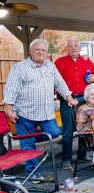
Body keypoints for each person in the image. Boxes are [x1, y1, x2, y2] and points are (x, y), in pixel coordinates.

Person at [3, 39, 77, 182]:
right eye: (37, 50)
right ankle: (34, 173)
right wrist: (8, 110)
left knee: (55, 132)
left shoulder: (50, 66)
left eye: (43, 50)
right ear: (31, 51)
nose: (40, 53)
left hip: (46, 112)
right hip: (25, 113)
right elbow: (11, 90)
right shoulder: (20, 68)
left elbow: (60, 82)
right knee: (28, 143)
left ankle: (28, 139)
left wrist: (69, 97)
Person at [55, 39, 94, 169]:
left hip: (83, 100)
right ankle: (66, 159)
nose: (73, 48)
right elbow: (53, 80)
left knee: (85, 127)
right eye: (70, 46)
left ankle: (82, 154)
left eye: (75, 46)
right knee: (68, 131)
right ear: (67, 48)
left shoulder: (87, 62)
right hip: (67, 100)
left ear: (80, 48)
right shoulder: (59, 62)